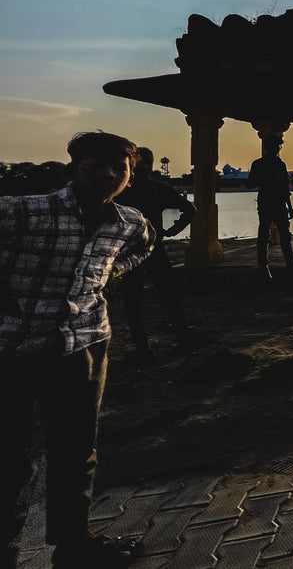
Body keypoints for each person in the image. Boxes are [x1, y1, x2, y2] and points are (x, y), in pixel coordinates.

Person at [1, 131, 155, 568]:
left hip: (85, 343)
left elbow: (143, 247)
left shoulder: (127, 223)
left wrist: (105, 276)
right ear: (75, 167)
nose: (108, 174)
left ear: (128, 174)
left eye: (118, 168)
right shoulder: (26, 212)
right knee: (14, 458)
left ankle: (73, 544)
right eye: (96, 165)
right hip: (15, 345)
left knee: (77, 450)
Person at [117, 147, 198, 362]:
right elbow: (190, 210)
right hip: (154, 247)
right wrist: (171, 231)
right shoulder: (158, 189)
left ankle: (143, 347)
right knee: (169, 295)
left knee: (134, 299)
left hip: (130, 251)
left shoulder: (123, 191)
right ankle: (183, 339)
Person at [246, 136, 293, 279]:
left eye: (279, 147)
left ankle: (289, 265)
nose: (278, 149)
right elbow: (250, 183)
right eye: (277, 146)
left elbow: (285, 187)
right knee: (266, 234)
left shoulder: (278, 164)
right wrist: (267, 179)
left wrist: (289, 207)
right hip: (269, 202)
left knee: (283, 235)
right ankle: (264, 266)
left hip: (276, 203)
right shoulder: (261, 164)